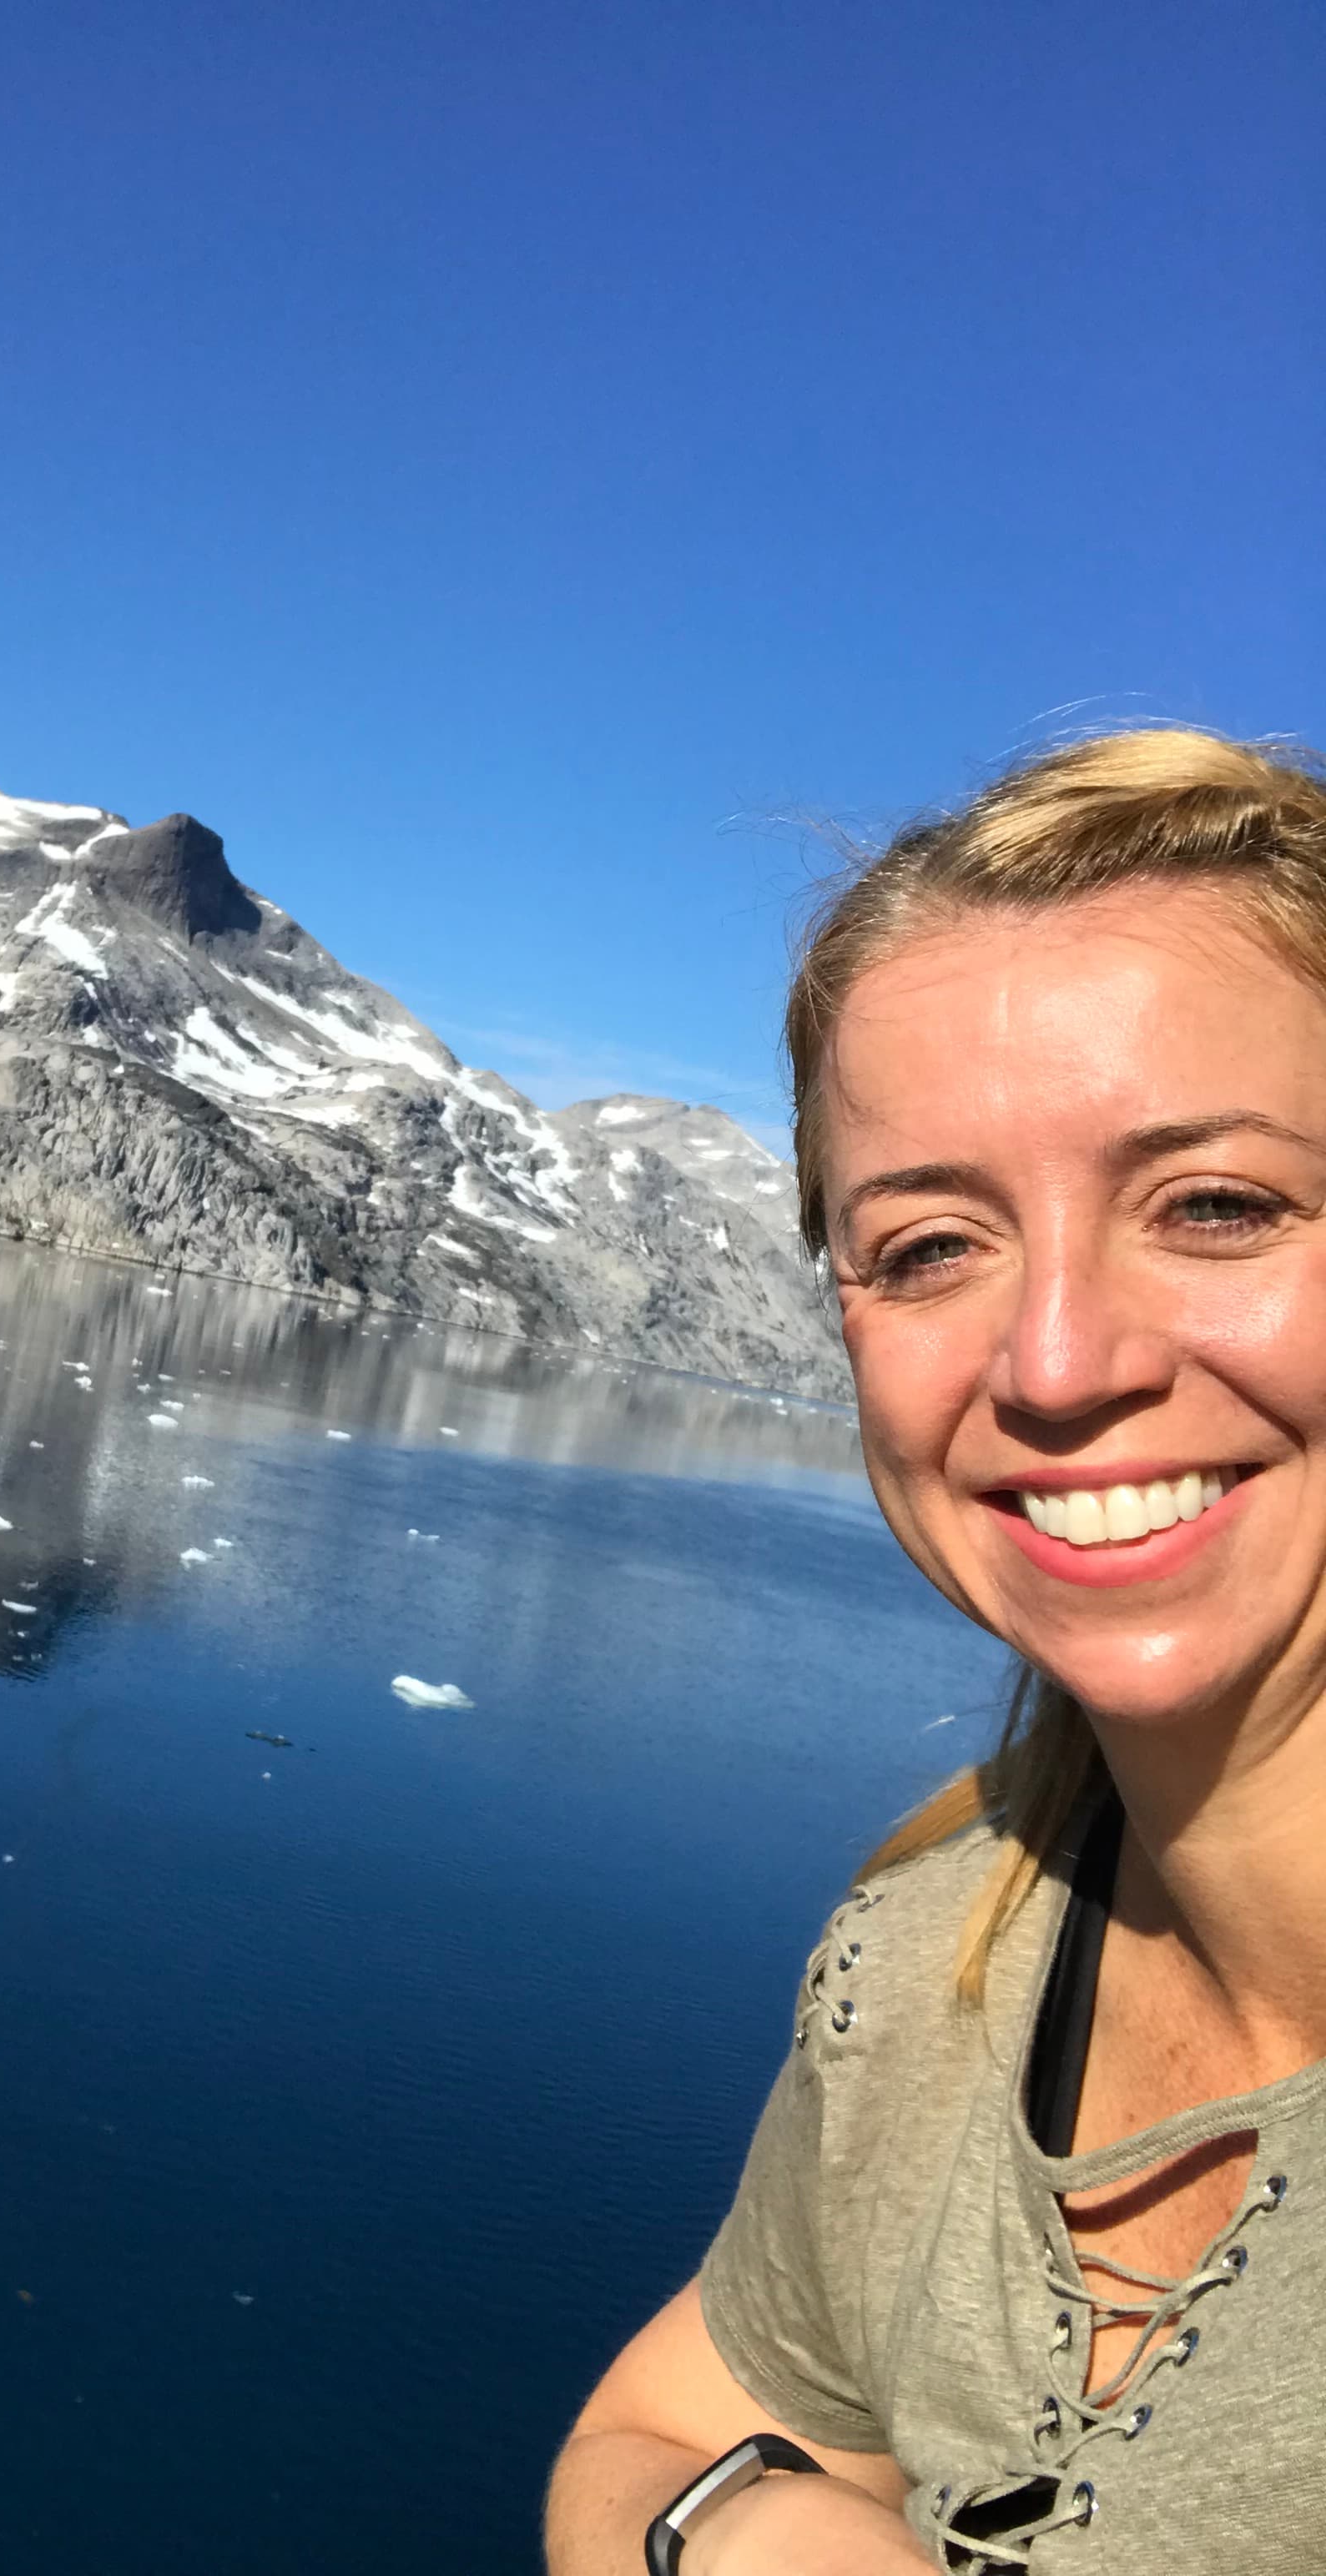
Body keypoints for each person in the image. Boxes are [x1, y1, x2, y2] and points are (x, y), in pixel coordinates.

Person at [544, 727, 1326, 2573]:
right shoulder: (934, 1960)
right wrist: (741, 2538)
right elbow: (653, 2428)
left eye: (1214, 1204)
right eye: (923, 1245)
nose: (1053, 1362)